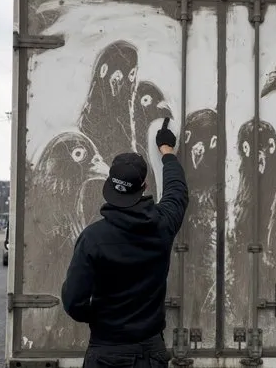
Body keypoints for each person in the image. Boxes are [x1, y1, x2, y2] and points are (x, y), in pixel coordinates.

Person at [61, 117, 188, 368]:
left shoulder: (92, 238)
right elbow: (177, 192)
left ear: (109, 185)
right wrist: (167, 151)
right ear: (144, 186)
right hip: (151, 354)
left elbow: (73, 302)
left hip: (107, 350)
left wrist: (100, 318)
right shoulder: (162, 226)